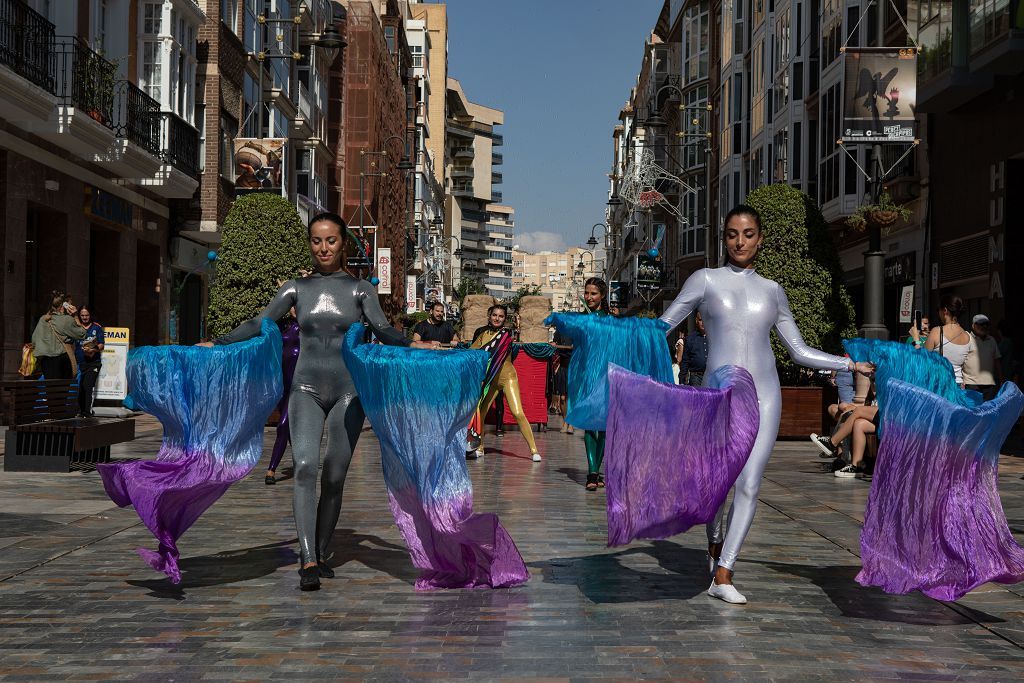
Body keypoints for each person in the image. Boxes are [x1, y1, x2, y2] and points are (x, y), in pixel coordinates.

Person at [659, 204, 872, 604]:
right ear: (723, 238)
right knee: (717, 486)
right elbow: (661, 327)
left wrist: (849, 363)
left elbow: (798, 350)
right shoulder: (704, 280)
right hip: (718, 394)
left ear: (760, 239)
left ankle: (725, 571)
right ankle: (714, 545)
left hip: (765, 394)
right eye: (732, 234)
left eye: (749, 233)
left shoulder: (773, 290)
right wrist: (610, 334)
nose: (740, 241)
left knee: (750, 481)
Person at [209, 212, 432, 592]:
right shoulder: (295, 288)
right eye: (316, 241)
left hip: (350, 392)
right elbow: (259, 324)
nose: (323, 247)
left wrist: (413, 342)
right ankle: (308, 558)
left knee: (333, 475)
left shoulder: (361, 289)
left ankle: (323, 549)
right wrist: (217, 343)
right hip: (305, 389)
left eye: (330, 240)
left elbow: (381, 328)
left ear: (342, 243)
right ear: (310, 244)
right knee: (306, 466)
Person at [469, 304, 542, 461]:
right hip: (490, 379)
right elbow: (471, 353)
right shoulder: (482, 334)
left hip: (507, 377)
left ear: (504, 319)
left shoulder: (507, 334)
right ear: (489, 316)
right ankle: (479, 446)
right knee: (481, 412)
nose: (497, 318)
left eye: (501, 316)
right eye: (494, 315)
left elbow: (493, 350)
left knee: (517, 412)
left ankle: (534, 450)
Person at [578, 277, 613, 491]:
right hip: (587, 375)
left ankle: (597, 470)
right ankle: (592, 472)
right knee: (591, 424)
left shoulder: (610, 319)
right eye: (587, 293)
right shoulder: (581, 320)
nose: (589, 297)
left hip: (607, 375)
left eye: (593, 294)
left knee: (605, 427)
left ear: (602, 296)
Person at [265, 315, 300, 485]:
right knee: (291, 430)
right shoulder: (284, 325)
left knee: (283, 425)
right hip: (282, 384)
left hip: (299, 385)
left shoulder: (308, 326)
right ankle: (302, 462)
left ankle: (271, 470)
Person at [31, 291, 87, 380]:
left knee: (50, 390)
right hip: (62, 360)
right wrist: (75, 316)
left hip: (46, 362)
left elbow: (34, 341)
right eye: (69, 304)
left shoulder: (43, 319)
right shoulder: (66, 320)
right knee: (62, 390)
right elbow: (82, 333)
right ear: (63, 306)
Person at [925, 295, 972, 388]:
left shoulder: (936, 332)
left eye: (939, 310)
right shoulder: (968, 336)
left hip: (940, 385)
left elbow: (922, 360)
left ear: (945, 311)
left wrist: (916, 340)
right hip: (959, 386)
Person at [963, 314, 1002, 401]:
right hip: (971, 384)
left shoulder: (992, 340)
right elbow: (960, 360)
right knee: (973, 411)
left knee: (988, 412)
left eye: (986, 324)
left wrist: (1001, 379)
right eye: (981, 324)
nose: (984, 326)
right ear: (973, 325)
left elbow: (997, 361)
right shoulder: (966, 339)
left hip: (989, 385)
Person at [74, 305, 105, 417]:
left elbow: (101, 345)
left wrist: (93, 349)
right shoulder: (76, 327)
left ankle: (87, 412)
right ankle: (80, 411)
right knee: (80, 387)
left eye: (86, 315)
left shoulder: (97, 327)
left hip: (93, 363)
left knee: (88, 385)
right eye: (82, 315)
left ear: (90, 315)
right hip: (79, 363)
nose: (84, 317)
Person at [679, 312, 708, 387]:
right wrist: (682, 381)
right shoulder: (690, 339)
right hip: (696, 378)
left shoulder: (714, 338)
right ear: (696, 321)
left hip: (711, 376)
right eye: (701, 320)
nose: (703, 322)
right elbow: (685, 361)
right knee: (698, 398)